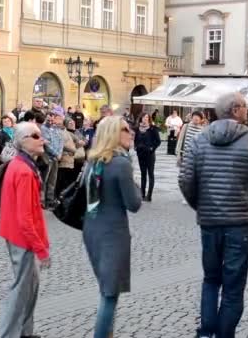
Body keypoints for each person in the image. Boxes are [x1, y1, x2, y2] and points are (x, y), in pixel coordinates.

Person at [179, 93, 248, 338]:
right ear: (236, 109)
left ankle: (207, 333)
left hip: (209, 222)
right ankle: (224, 334)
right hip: (240, 223)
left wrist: (201, 206)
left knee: (210, 279)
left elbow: (186, 179)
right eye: (246, 107)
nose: (247, 111)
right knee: (233, 286)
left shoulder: (200, 139)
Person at [83, 116, 141, 338]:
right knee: (110, 295)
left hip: (92, 230)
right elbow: (134, 203)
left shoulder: (93, 161)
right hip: (112, 234)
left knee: (106, 289)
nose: (132, 132)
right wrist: (133, 178)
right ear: (115, 134)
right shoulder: (120, 163)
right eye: (126, 129)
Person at [0, 122, 50, 338]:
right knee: (21, 289)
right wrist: (41, 248)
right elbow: (25, 217)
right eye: (37, 136)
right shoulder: (24, 170)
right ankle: (8, 334)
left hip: (18, 234)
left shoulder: (22, 164)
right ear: (24, 142)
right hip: (22, 238)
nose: (43, 140)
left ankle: (26, 331)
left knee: (30, 286)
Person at [40, 106, 64, 208]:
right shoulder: (43, 129)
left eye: (52, 117)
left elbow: (61, 141)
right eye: (49, 118)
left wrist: (60, 153)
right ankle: (42, 200)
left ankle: (50, 200)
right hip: (48, 157)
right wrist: (56, 153)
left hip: (56, 158)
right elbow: (47, 144)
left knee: (52, 181)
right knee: (44, 180)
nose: (51, 120)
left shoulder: (57, 129)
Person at [134, 113, 161, 202]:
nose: (145, 119)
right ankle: (142, 194)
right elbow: (135, 139)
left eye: (147, 117)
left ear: (149, 119)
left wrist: (152, 148)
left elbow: (158, 141)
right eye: (143, 117)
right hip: (140, 154)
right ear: (141, 118)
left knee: (150, 174)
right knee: (143, 174)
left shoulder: (152, 129)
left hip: (150, 155)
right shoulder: (138, 129)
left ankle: (149, 195)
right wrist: (136, 147)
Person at [55, 118, 77, 198]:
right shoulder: (59, 132)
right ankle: (59, 198)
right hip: (63, 160)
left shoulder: (66, 132)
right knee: (61, 182)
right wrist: (73, 149)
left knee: (66, 182)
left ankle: (63, 198)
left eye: (60, 123)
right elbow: (62, 144)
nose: (59, 124)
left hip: (69, 160)